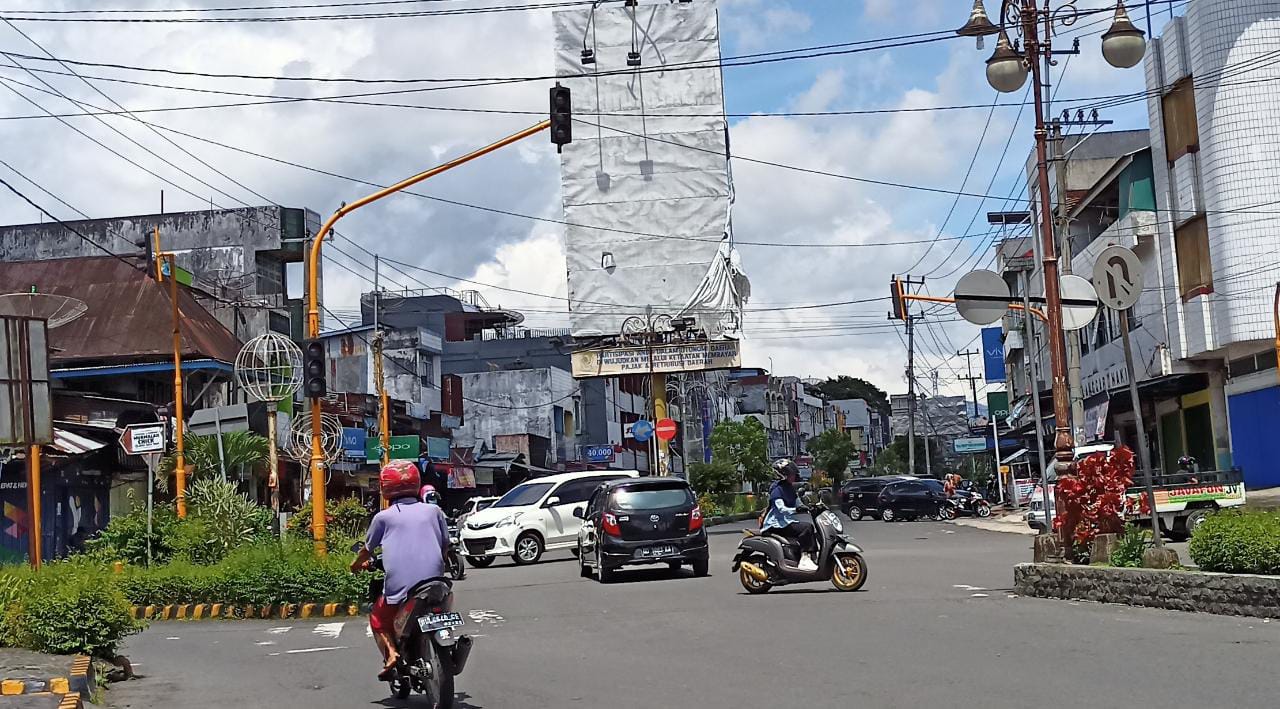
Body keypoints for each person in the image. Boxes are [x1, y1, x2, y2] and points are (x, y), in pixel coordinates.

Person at [351, 460, 450, 681]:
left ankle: (392, 654)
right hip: (437, 584)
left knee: (377, 617)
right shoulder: (434, 511)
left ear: (386, 488)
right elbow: (445, 546)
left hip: (401, 589)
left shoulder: (383, 517)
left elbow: (366, 550)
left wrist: (355, 565)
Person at [761, 459, 817, 567]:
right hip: (775, 524)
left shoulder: (789, 488)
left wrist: (810, 507)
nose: (794, 476)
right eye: (791, 474)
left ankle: (812, 556)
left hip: (785, 522)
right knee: (806, 528)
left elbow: (798, 503)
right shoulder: (776, 489)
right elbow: (781, 509)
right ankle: (805, 558)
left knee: (811, 529)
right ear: (783, 474)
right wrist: (796, 510)